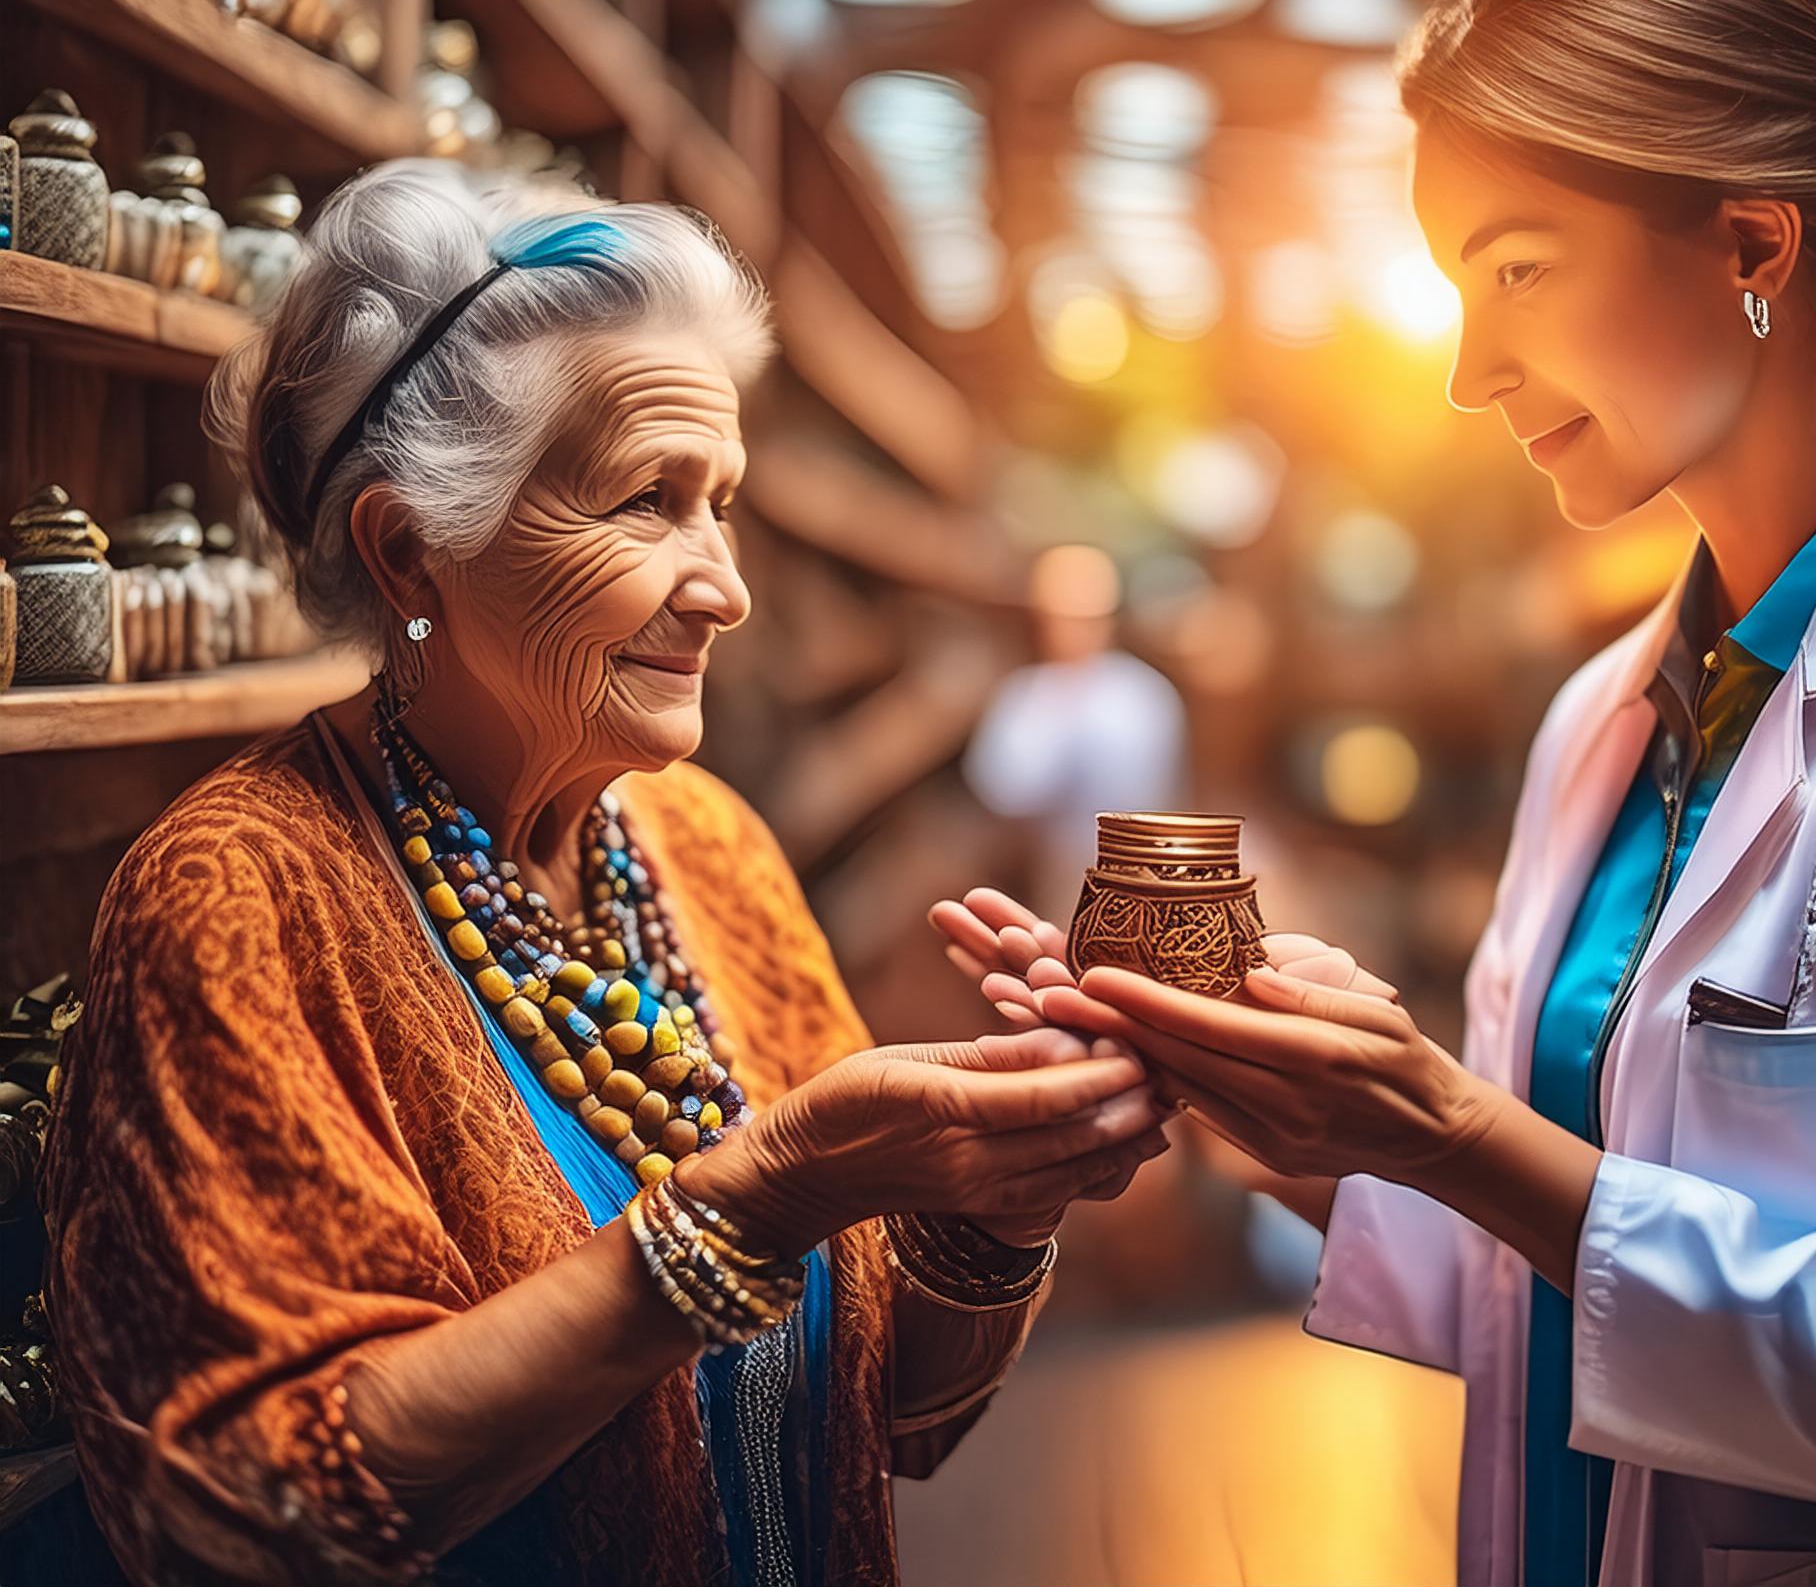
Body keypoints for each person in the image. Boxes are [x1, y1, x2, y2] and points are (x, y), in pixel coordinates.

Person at [934, 0, 1816, 1587]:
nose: (1470, 368)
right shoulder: (1604, 717)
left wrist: (1453, 1128)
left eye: (1515, 268)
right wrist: (1304, 1118)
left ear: (1751, 245)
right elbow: (1563, 1289)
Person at [40, 161, 1169, 1587]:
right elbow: (251, 1513)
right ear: (409, 552)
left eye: (726, 503)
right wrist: (744, 1205)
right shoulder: (241, 897)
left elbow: (893, 1421)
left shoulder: (704, 847)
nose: (726, 585)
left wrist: (1005, 1201)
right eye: (649, 501)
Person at [962, 543, 1187, 918]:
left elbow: (1159, 795)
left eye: (1084, 619)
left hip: (1139, 875)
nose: (1071, 631)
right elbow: (1003, 791)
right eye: (1060, 618)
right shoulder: (1026, 696)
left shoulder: (1145, 697)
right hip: (1052, 876)